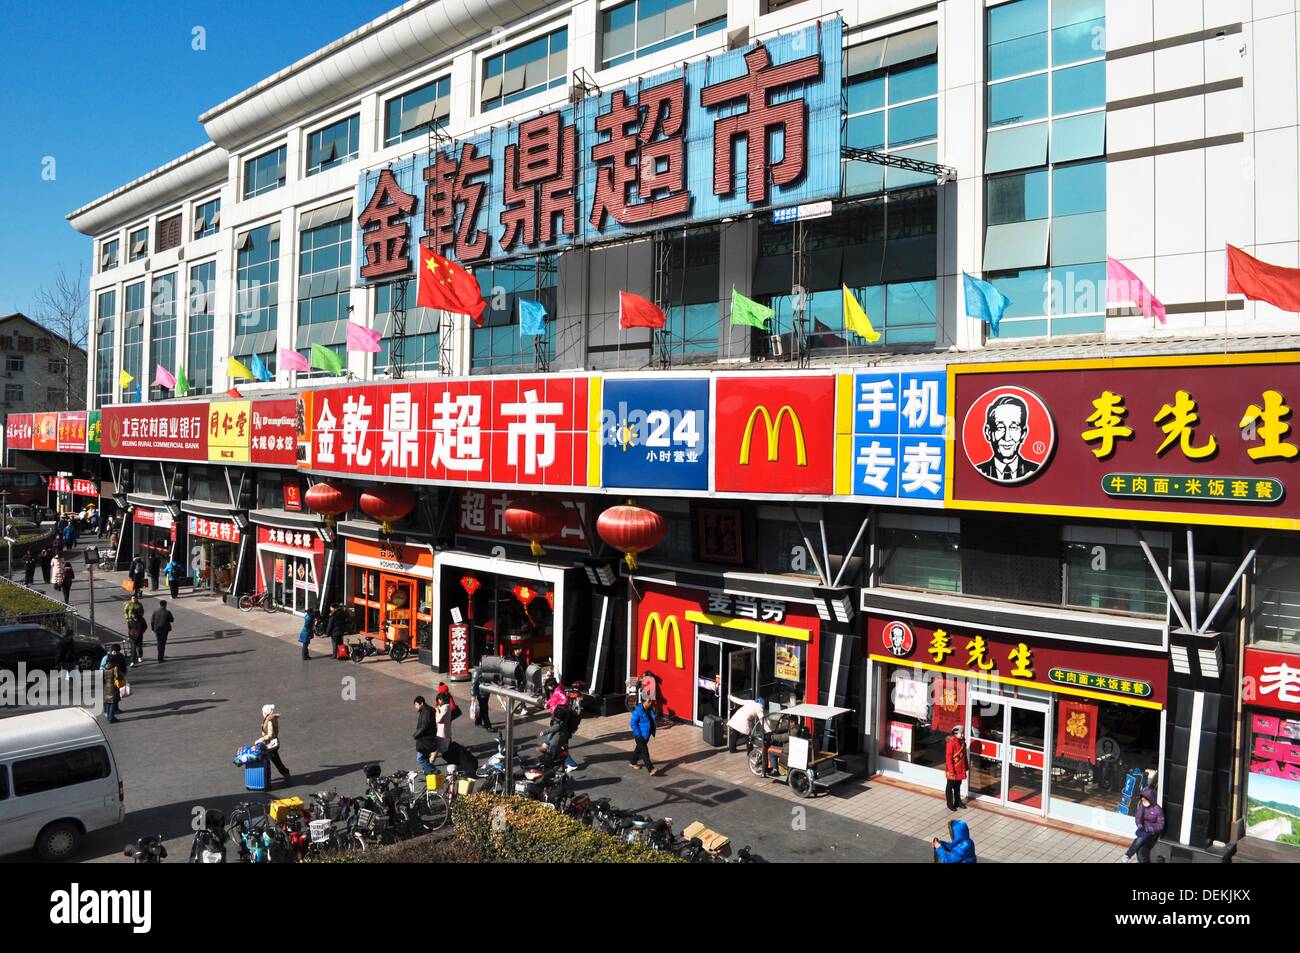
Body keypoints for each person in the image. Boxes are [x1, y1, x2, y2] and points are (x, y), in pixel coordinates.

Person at [975, 394, 1040, 483]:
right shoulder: (980, 471)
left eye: (1013, 427)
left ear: (1023, 434)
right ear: (988, 432)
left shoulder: (1034, 470)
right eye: (1000, 427)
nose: (1007, 437)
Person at [1123, 788, 1165, 863]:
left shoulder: (1158, 810)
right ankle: (1128, 855)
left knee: (1139, 841)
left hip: (1152, 833)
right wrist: (1139, 825)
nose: (1143, 802)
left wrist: (1151, 828)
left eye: (1145, 800)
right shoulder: (1143, 806)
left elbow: (1161, 825)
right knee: (1141, 849)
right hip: (1143, 829)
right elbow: (1138, 817)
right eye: (1142, 800)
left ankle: (1128, 855)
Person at [256, 704, 291, 783]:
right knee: (265, 759)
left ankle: (286, 774)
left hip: (271, 745)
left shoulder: (269, 721)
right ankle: (266, 777)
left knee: (276, 761)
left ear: (265, 712)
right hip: (269, 744)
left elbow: (270, 735)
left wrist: (261, 739)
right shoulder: (269, 719)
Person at [629, 696, 658, 776]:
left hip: (646, 734)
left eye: (651, 701)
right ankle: (651, 769)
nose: (650, 703)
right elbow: (632, 723)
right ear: (644, 702)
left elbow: (651, 717)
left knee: (639, 749)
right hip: (640, 735)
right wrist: (638, 734)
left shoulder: (649, 708)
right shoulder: (638, 711)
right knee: (645, 752)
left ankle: (633, 762)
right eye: (649, 701)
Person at [413, 696, 440, 777]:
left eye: (416, 704)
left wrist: (416, 734)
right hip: (428, 739)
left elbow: (424, 726)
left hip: (425, 739)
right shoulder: (427, 710)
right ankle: (429, 774)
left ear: (421, 703)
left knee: (420, 758)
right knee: (425, 758)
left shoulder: (426, 711)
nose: (415, 707)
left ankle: (433, 770)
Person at [101, 644, 127, 724]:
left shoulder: (106, 668)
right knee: (112, 701)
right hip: (114, 685)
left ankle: (109, 715)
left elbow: (102, 677)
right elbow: (119, 675)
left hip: (107, 686)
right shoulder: (114, 669)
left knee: (109, 701)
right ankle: (111, 718)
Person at [945, 725, 968, 811]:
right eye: (960, 733)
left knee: (958, 786)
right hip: (952, 769)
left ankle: (958, 801)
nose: (962, 735)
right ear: (955, 734)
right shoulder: (950, 743)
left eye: (962, 733)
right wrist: (951, 770)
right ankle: (950, 803)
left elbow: (964, 756)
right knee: (950, 786)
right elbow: (948, 758)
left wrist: (966, 766)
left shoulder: (962, 742)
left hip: (960, 768)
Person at [123, 594, 146, 666]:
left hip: (139, 625)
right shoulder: (128, 604)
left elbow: (142, 611)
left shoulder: (139, 604)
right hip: (131, 624)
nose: (134, 599)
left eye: (135, 598)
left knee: (139, 646)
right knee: (133, 647)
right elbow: (125, 611)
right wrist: (127, 618)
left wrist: (141, 631)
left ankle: (139, 656)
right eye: (133, 598)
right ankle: (132, 659)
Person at [469, 665, 494, 730]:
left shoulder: (488, 670)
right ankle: (487, 725)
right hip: (480, 694)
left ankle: (478, 720)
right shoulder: (477, 671)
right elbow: (473, 684)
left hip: (485, 693)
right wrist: (473, 695)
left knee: (482, 707)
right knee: (484, 709)